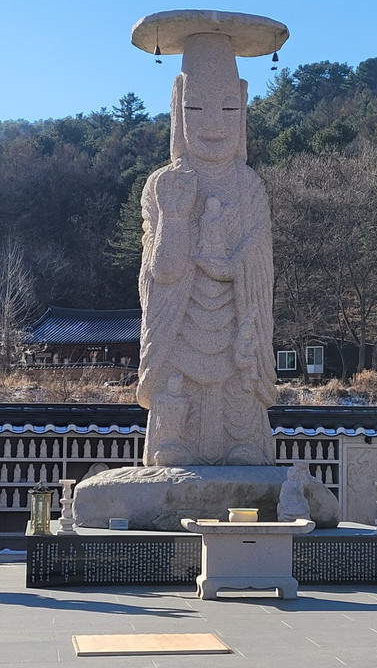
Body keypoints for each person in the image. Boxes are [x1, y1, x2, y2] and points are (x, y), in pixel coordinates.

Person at [137, 30, 276, 467]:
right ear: (177, 108)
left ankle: (244, 440)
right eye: (196, 108)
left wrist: (234, 265)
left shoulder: (249, 185)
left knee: (241, 386)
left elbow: (260, 260)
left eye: (229, 109)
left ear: (243, 108)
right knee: (175, 389)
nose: (214, 124)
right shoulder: (163, 183)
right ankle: (171, 440)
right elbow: (162, 274)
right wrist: (176, 219)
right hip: (179, 325)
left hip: (236, 323)